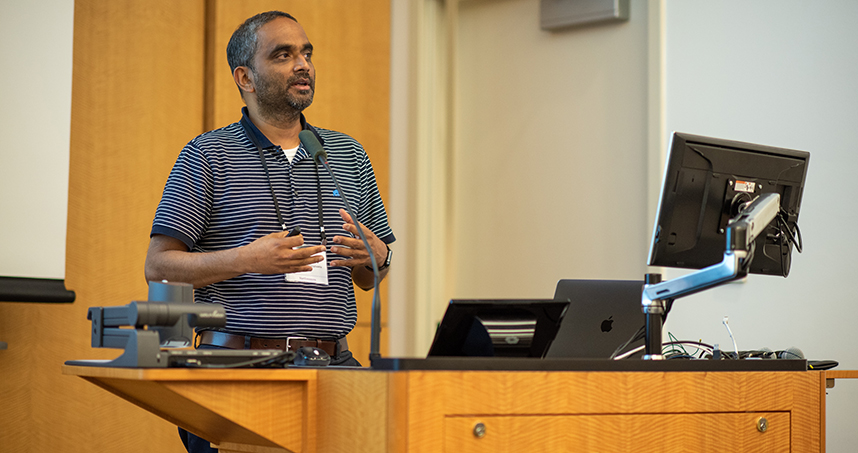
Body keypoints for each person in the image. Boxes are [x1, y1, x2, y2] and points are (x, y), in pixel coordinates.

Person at [144, 11, 394, 453]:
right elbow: (159, 267)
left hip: (333, 366)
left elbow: (369, 277)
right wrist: (246, 259)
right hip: (236, 366)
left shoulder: (346, 153)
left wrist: (378, 257)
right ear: (245, 77)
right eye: (283, 55)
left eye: (306, 53)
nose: (303, 65)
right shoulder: (208, 154)